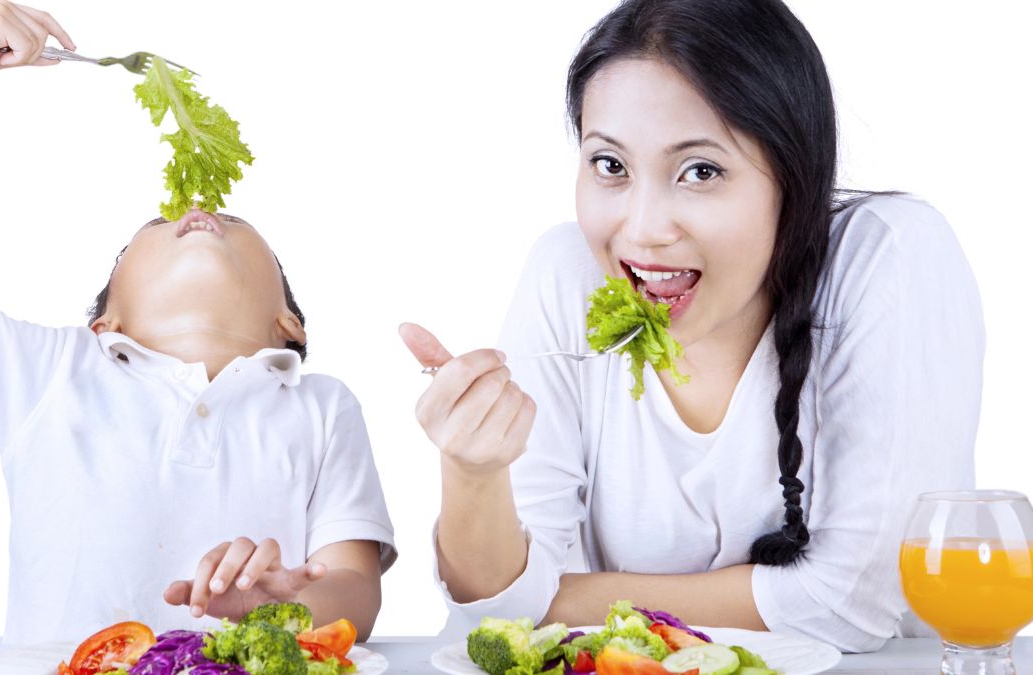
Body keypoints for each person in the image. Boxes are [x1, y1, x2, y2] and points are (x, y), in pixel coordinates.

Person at [400, 0, 982, 652]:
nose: (644, 230)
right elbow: (499, 610)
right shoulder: (567, 274)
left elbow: (855, 600)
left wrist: (556, 597)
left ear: (795, 180)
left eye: (700, 171)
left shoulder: (888, 255)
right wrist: (473, 473)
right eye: (610, 165)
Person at [0, 1, 394, 645]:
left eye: (233, 223)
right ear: (108, 324)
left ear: (287, 325)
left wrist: (283, 606)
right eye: (157, 226)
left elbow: (356, 591)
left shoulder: (321, 407)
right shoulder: (49, 372)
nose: (194, 211)